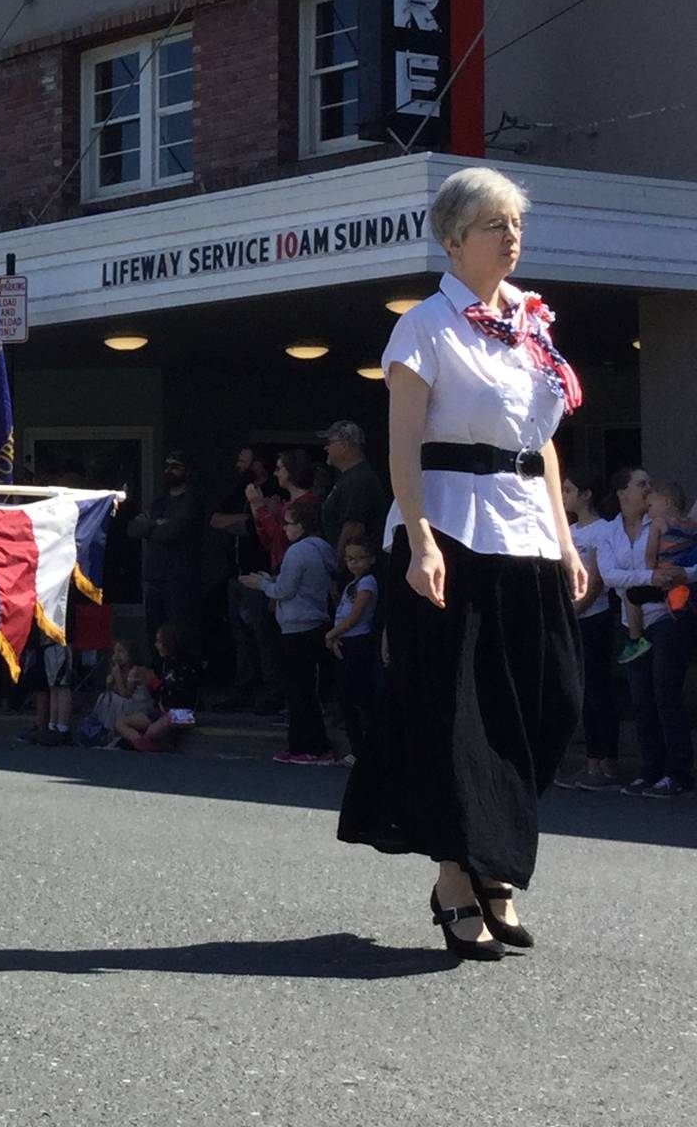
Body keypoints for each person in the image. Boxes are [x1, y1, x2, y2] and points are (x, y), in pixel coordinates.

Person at [338, 167, 587, 961]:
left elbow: (541, 443)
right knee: (457, 715)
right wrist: (417, 541)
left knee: (552, 700)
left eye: (516, 223)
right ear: (453, 239)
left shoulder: (532, 323)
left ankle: (491, 855)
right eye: (493, 225)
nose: (511, 236)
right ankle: (464, 875)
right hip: (450, 527)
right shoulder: (423, 327)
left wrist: (569, 540)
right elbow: (403, 444)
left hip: (529, 535)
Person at [244, 496, 338, 763]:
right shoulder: (323, 549)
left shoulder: (298, 551)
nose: (284, 528)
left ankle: (309, 746)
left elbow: (284, 590)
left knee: (299, 692)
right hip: (316, 622)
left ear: (302, 525)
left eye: (289, 523)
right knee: (306, 690)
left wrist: (261, 585)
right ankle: (306, 745)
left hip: (297, 628)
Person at [621, 479, 694, 798]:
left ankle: (676, 773)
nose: (647, 497)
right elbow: (612, 573)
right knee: (643, 697)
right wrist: (648, 578)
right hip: (637, 620)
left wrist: (665, 575)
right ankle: (651, 769)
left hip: (669, 618)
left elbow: (655, 564)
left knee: (665, 693)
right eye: (641, 488)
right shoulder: (614, 531)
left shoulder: (661, 525)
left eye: (652, 493)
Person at [557, 474, 622, 792]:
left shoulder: (603, 529)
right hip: (571, 619)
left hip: (593, 619)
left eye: (569, 490)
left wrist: (575, 612)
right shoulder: (567, 532)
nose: (563, 495)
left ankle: (606, 763)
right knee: (582, 693)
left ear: (586, 494)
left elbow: (595, 582)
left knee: (599, 691)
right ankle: (590, 762)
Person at [208, 445, 278, 712]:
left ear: (258, 464)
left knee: (263, 634)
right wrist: (247, 518)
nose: (238, 465)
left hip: (260, 574)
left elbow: (258, 529)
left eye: (243, 460)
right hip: (234, 574)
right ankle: (244, 690)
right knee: (240, 636)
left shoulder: (273, 490)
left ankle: (272, 692)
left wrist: (247, 522)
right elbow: (215, 519)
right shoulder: (238, 489)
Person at [126, 451, 199, 638]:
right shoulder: (159, 501)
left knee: (178, 635)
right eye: (167, 466)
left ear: (186, 471)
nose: (169, 470)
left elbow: (171, 532)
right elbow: (133, 529)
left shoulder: (191, 501)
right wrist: (156, 524)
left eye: (175, 466)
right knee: (154, 636)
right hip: (153, 579)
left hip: (179, 580)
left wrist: (150, 526)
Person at [324, 535, 381, 762]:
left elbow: (356, 615)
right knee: (347, 699)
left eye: (359, 558)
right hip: (345, 640)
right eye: (349, 558)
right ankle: (357, 748)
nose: (354, 563)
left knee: (358, 698)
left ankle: (364, 750)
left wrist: (332, 633)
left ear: (372, 559)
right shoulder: (352, 583)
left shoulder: (367, 583)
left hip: (358, 642)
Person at [111, 623, 200, 752]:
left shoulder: (185, 666)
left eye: (159, 642)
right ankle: (140, 742)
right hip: (161, 711)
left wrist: (155, 684)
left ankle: (146, 745)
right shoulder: (164, 663)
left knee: (156, 728)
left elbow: (180, 696)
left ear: (169, 642)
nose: (156, 645)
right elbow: (158, 695)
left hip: (185, 714)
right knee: (120, 722)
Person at [320, 421, 389, 564]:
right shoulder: (349, 477)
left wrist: (339, 565)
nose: (325, 448)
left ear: (344, 445)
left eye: (329, 442)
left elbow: (353, 527)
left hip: (354, 569)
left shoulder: (359, 479)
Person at [80, 640, 154, 747]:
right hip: (130, 704)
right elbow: (115, 692)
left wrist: (117, 676)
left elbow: (126, 695)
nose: (116, 655)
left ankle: (108, 732)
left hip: (140, 707)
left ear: (131, 654)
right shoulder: (120, 670)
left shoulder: (135, 671)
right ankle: (103, 728)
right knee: (105, 697)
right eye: (115, 652)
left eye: (121, 651)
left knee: (113, 700)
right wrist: (110, 683)